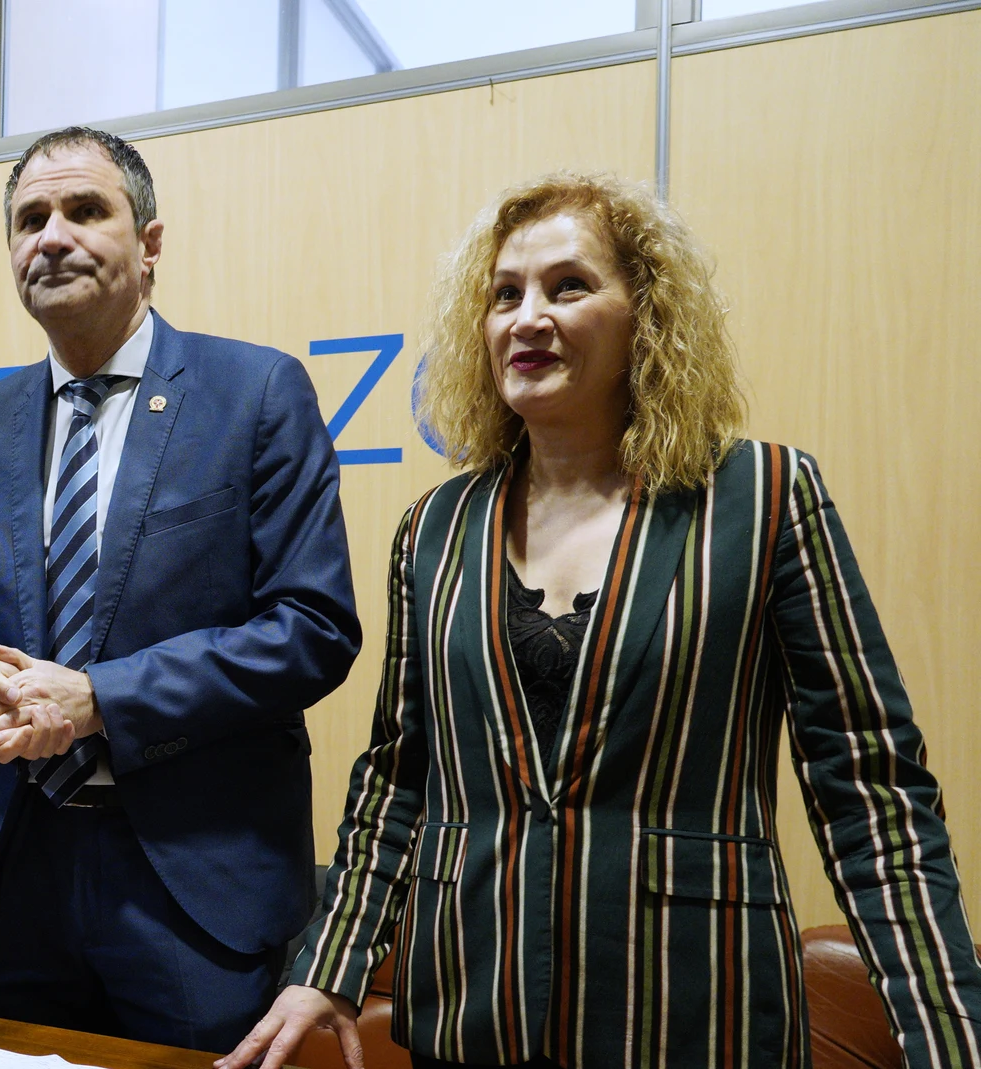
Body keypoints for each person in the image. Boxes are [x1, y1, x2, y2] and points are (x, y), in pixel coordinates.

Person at [220, 172, 981, 1069]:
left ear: (645, 313)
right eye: (505, 294)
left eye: (568, 286)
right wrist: (332, 965)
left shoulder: (766, 496)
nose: (526, 317)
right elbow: (400, 777)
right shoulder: (434, 527)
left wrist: (947, 1031)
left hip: (690, 1016)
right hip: (468, 1012)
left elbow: (869, 789)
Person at [0, 126, 361, 1050]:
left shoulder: (257, 392)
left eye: (84, 210)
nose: (51, 235)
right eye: (29, 218)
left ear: (149, 244)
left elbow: (312, 627)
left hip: (196, 886)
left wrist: (96, 700)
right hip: (21, 873)